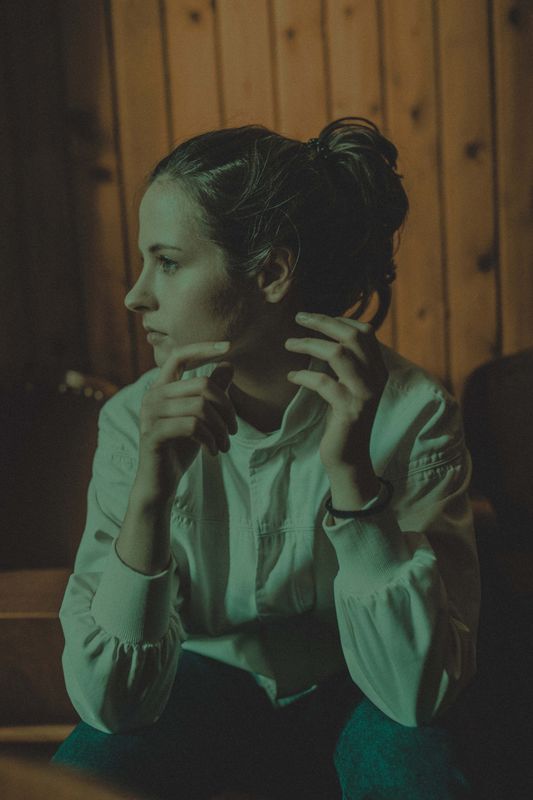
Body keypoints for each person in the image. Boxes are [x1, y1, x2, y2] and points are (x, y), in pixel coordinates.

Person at [49, 117, 481, 800]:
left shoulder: (414, 413)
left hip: (361, 691)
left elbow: (415, 696)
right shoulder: (134, 421)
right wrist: (150, 496)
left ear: (272, 272)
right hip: (197, 692)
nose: (136, 294)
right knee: (88, 771)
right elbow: (113, 706)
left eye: (167, 262)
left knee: (413, 766)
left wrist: (353, 479)